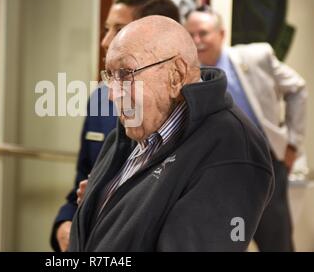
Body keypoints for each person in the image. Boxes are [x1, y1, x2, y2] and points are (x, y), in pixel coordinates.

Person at [68, 15, 274, 251]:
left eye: (125, 74)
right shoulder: (131, 132)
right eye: (110, 76)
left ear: (175, 75)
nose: (112, 94)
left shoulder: (233, 149)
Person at [50, 0, 180, 252]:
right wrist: (64, 223)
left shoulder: (181, 109)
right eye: (107, 29)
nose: (106, 41)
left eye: (118, 30)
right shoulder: (100, 97)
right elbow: (82, 180)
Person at [184, 5, 308, 251]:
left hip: (267, 165)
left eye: (203, 33)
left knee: (277, 243)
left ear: (222, 34)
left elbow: (298, 88)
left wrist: (293, 143)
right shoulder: (185, 73)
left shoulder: (257, 57)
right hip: (216, 172)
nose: (197, 41)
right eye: (191, 35)